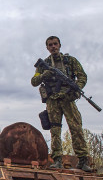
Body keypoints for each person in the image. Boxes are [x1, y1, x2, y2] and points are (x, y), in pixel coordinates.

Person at [31, 36, 93, 172]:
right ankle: (57, 159)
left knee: (76, 128)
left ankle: (83, 160)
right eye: (50, 45)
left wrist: (76, 89)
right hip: (52, 100)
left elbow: (82, 76)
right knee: (55, 130)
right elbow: (34, 81)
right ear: (47, 48)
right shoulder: (44, 64)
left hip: (68, 98)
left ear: (59, 45)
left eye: (55, 44)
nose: (53, 47)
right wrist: (43, 75)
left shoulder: (70, 61)